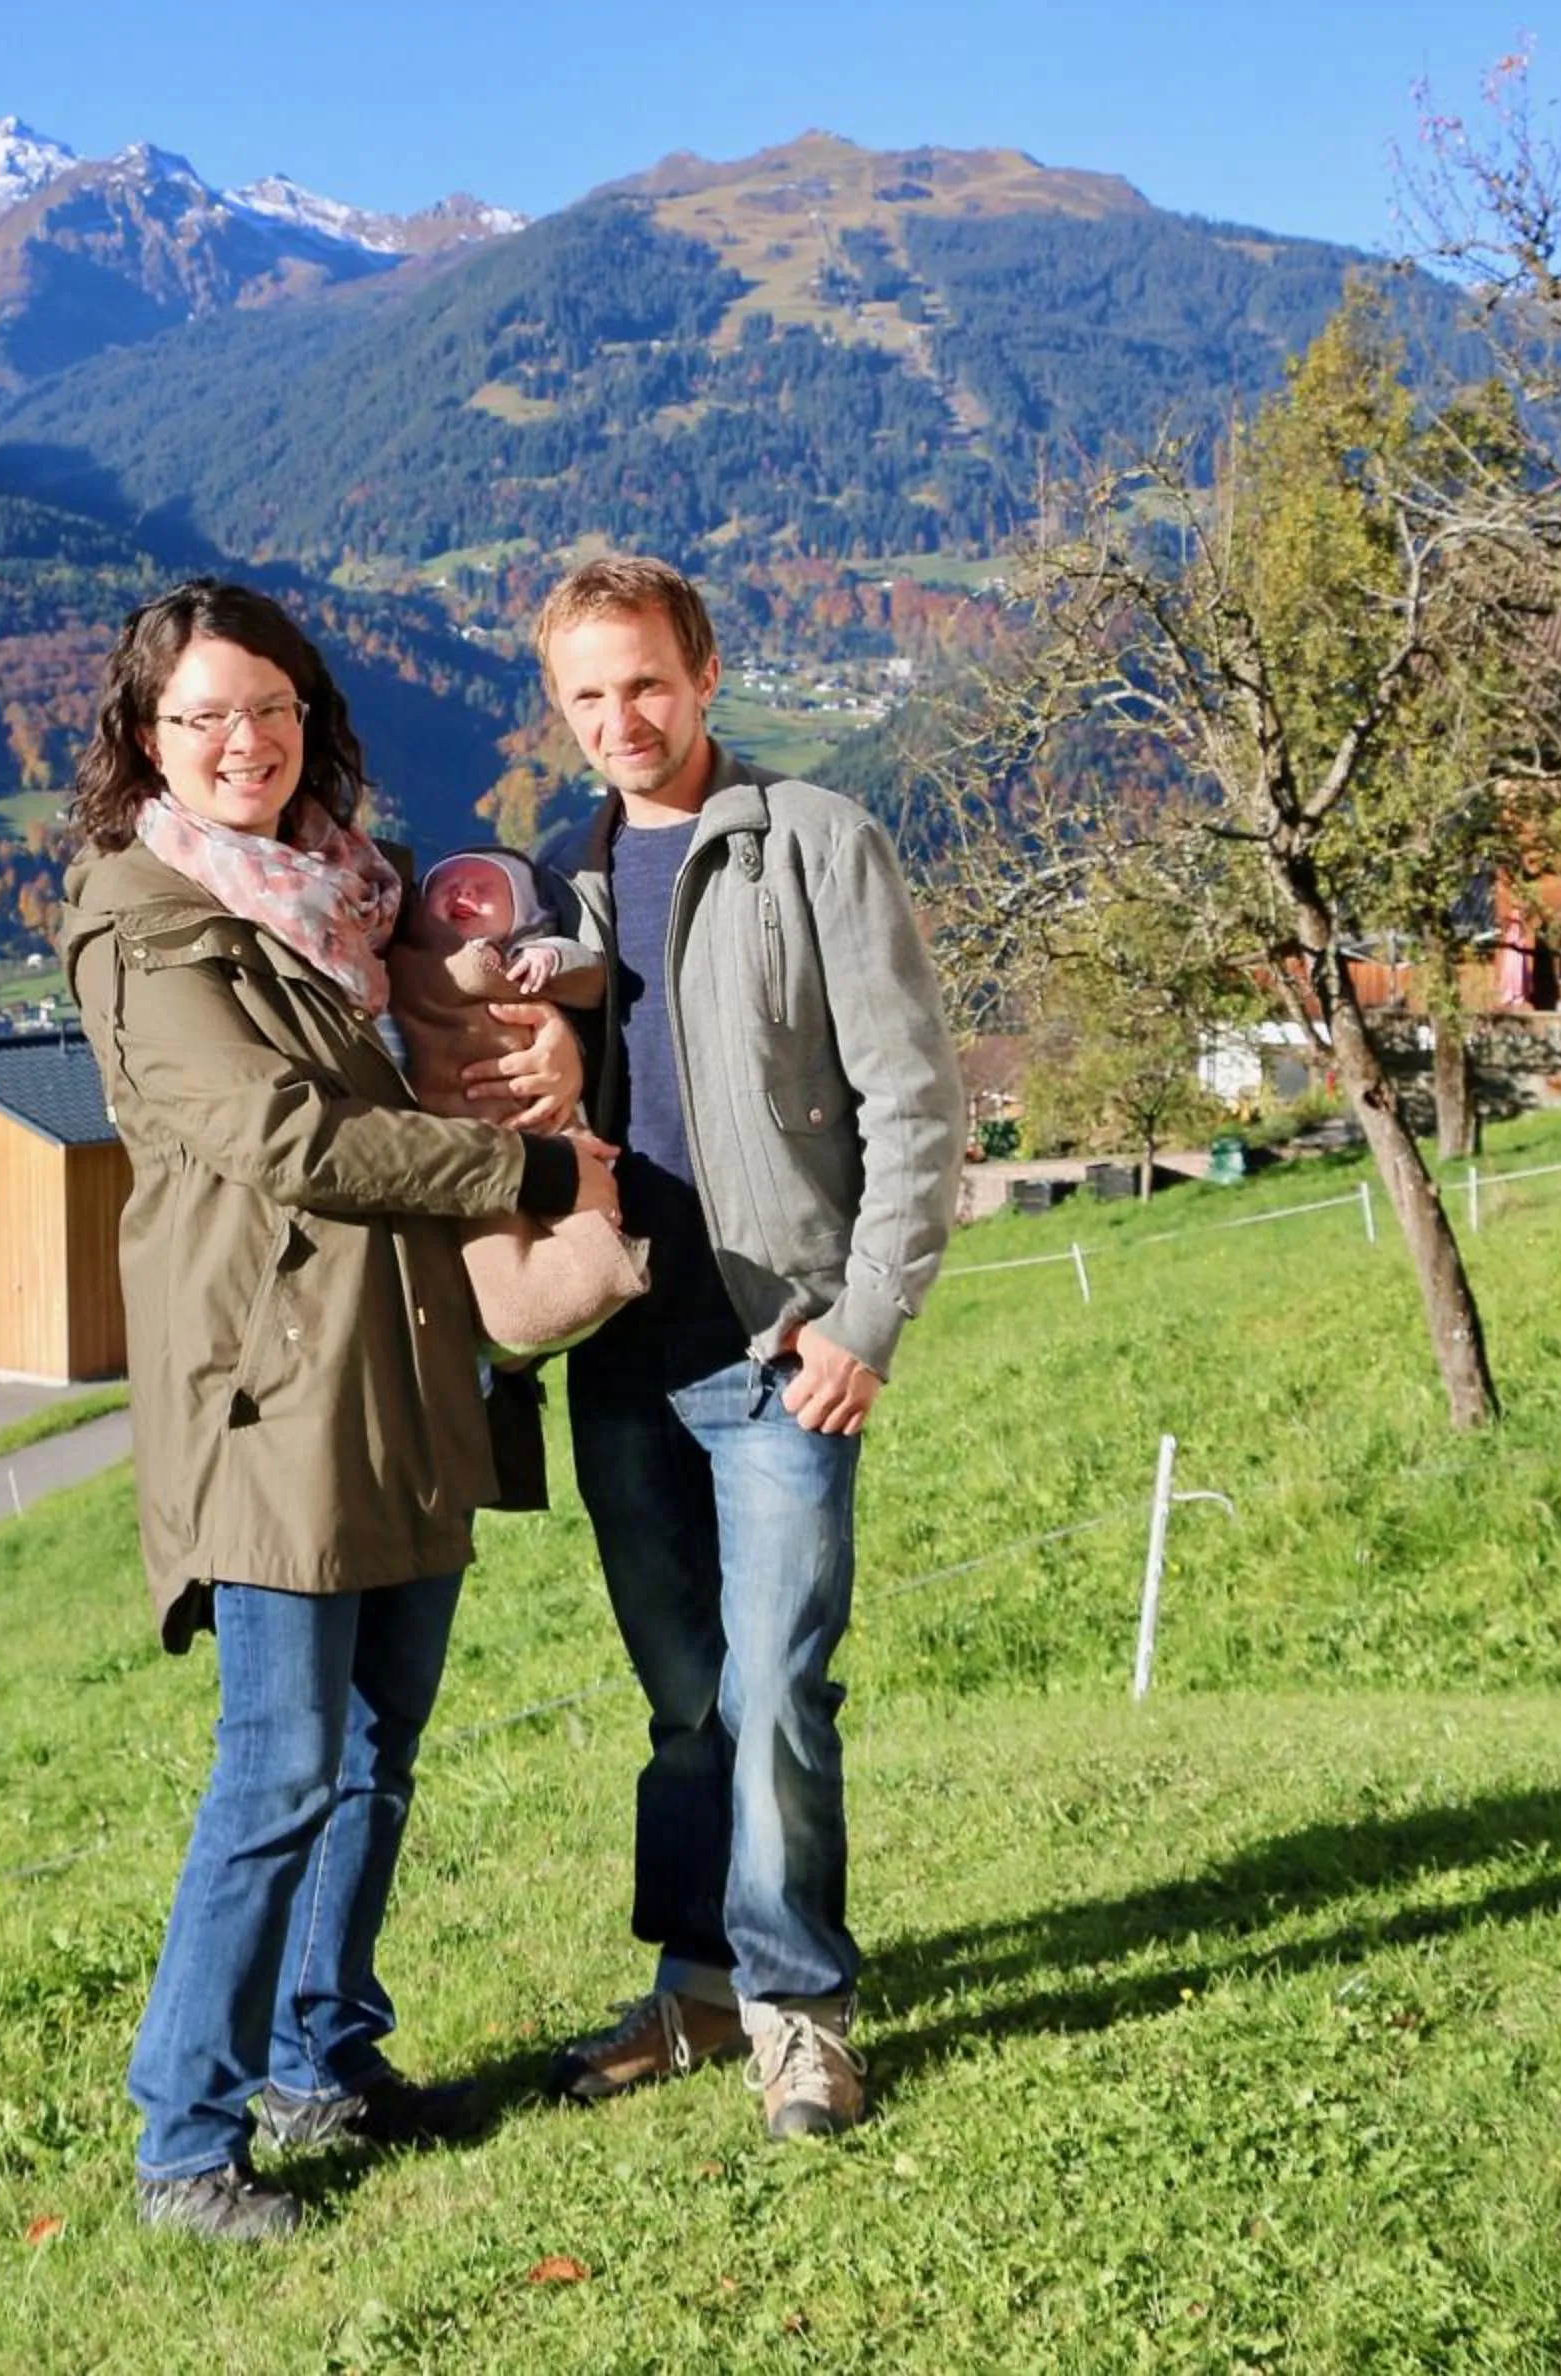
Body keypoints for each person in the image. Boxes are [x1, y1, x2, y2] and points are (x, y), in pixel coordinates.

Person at [61, 577, 617, 2243]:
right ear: (147, 739)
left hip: (405, 1366)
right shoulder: (145, 921)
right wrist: (516, 1163)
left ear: (310, 716)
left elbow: (420, 1062)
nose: (243, 742)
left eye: (271, 707)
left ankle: (324, 2059)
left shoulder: (348, 895)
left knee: (377, 1754)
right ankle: (183, 2142)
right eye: (204, 717)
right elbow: (285, 1140)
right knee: (277, 1768)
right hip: (268, 1390)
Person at [531, 556, 964, 2140]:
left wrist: (865, 1321)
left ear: (703, 671)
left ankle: (800, 2015)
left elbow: (917, 1106)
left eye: (642, 681)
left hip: (777, 1353)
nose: (618, 719)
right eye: (585, 694)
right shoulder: (554, 881)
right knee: (685, 1709)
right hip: (620, 1360)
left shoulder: (813, 844)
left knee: (779, 1692)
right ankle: (697, 1993)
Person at [385, 846, 649, 1357]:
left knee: (571, 1215)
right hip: (455, 1132)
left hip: (530, 1122)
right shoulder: (409, 957)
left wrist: (546, 962)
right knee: (487, 1241)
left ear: (525, 916)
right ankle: (512, 1322)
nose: (464, 892)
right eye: (448, 885)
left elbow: (587, 971)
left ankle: (571, 1288)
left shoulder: (526, 959)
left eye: (487, 888)